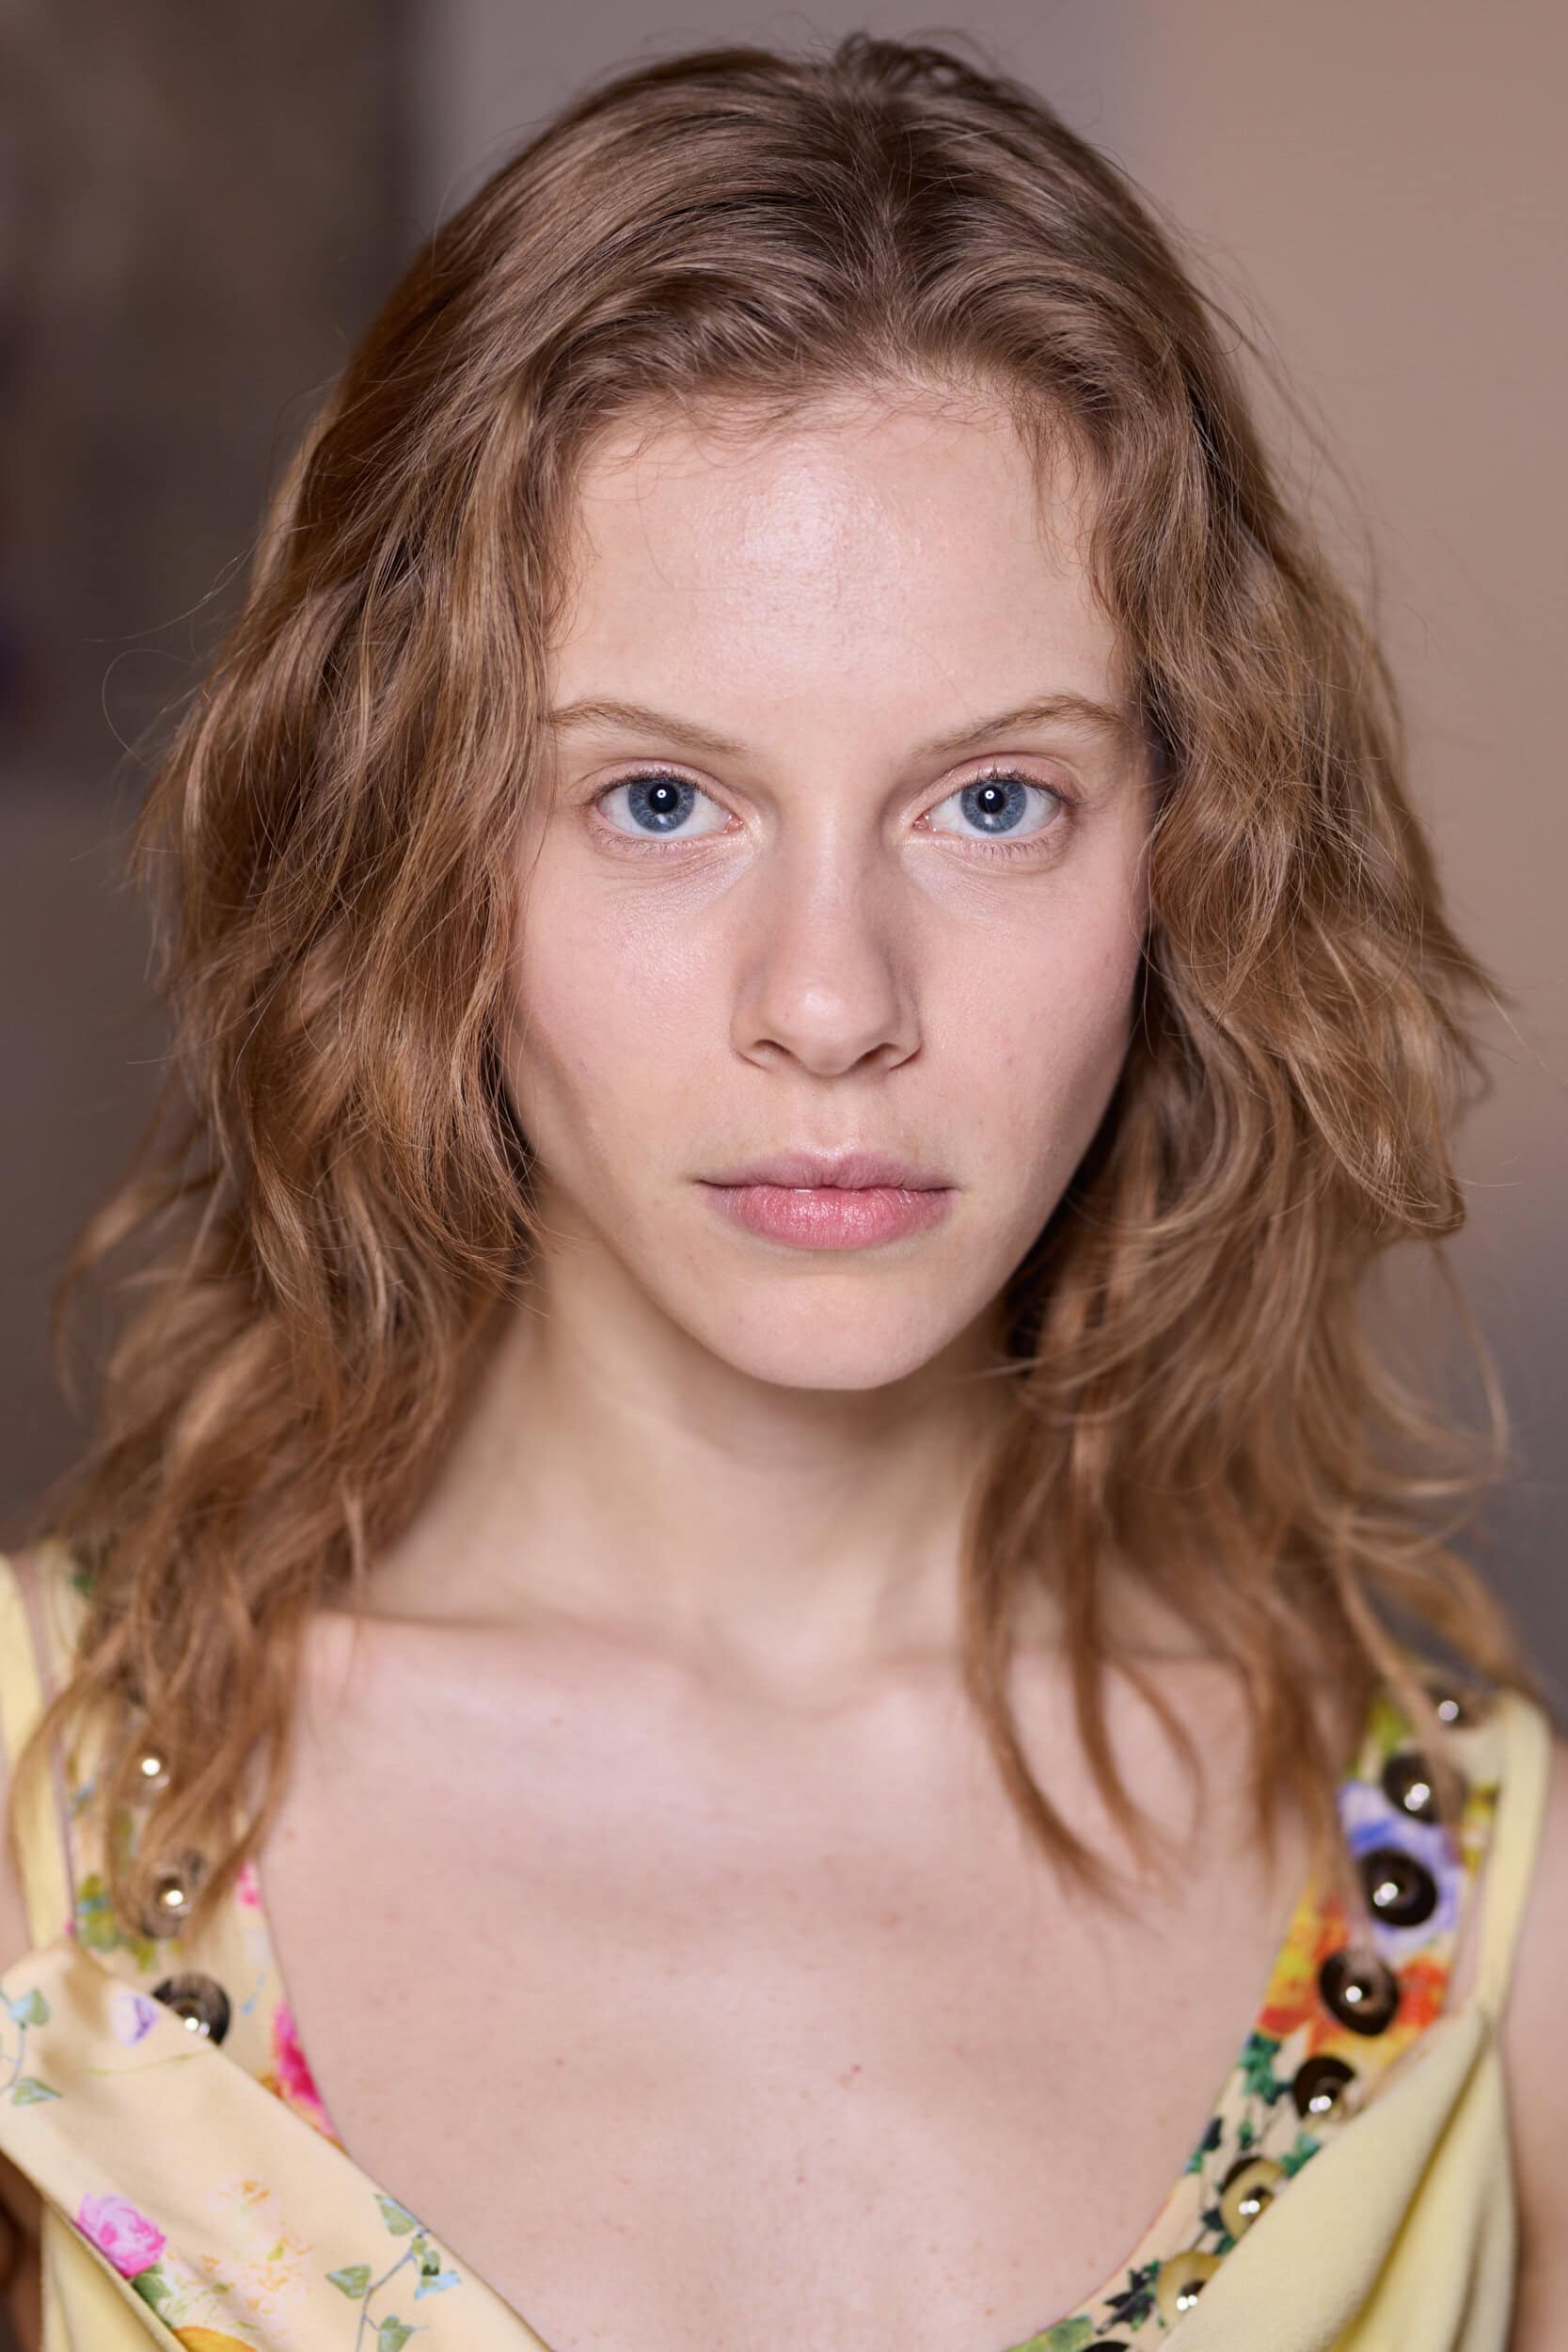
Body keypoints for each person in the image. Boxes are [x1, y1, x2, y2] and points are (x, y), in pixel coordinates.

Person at [0, 28, 1562, 2352]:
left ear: (1192, 859)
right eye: (659, 801)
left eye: (993, 801)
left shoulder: (1493, 1919)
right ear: (416, 849)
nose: (831, 1001)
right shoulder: (31, 1821)